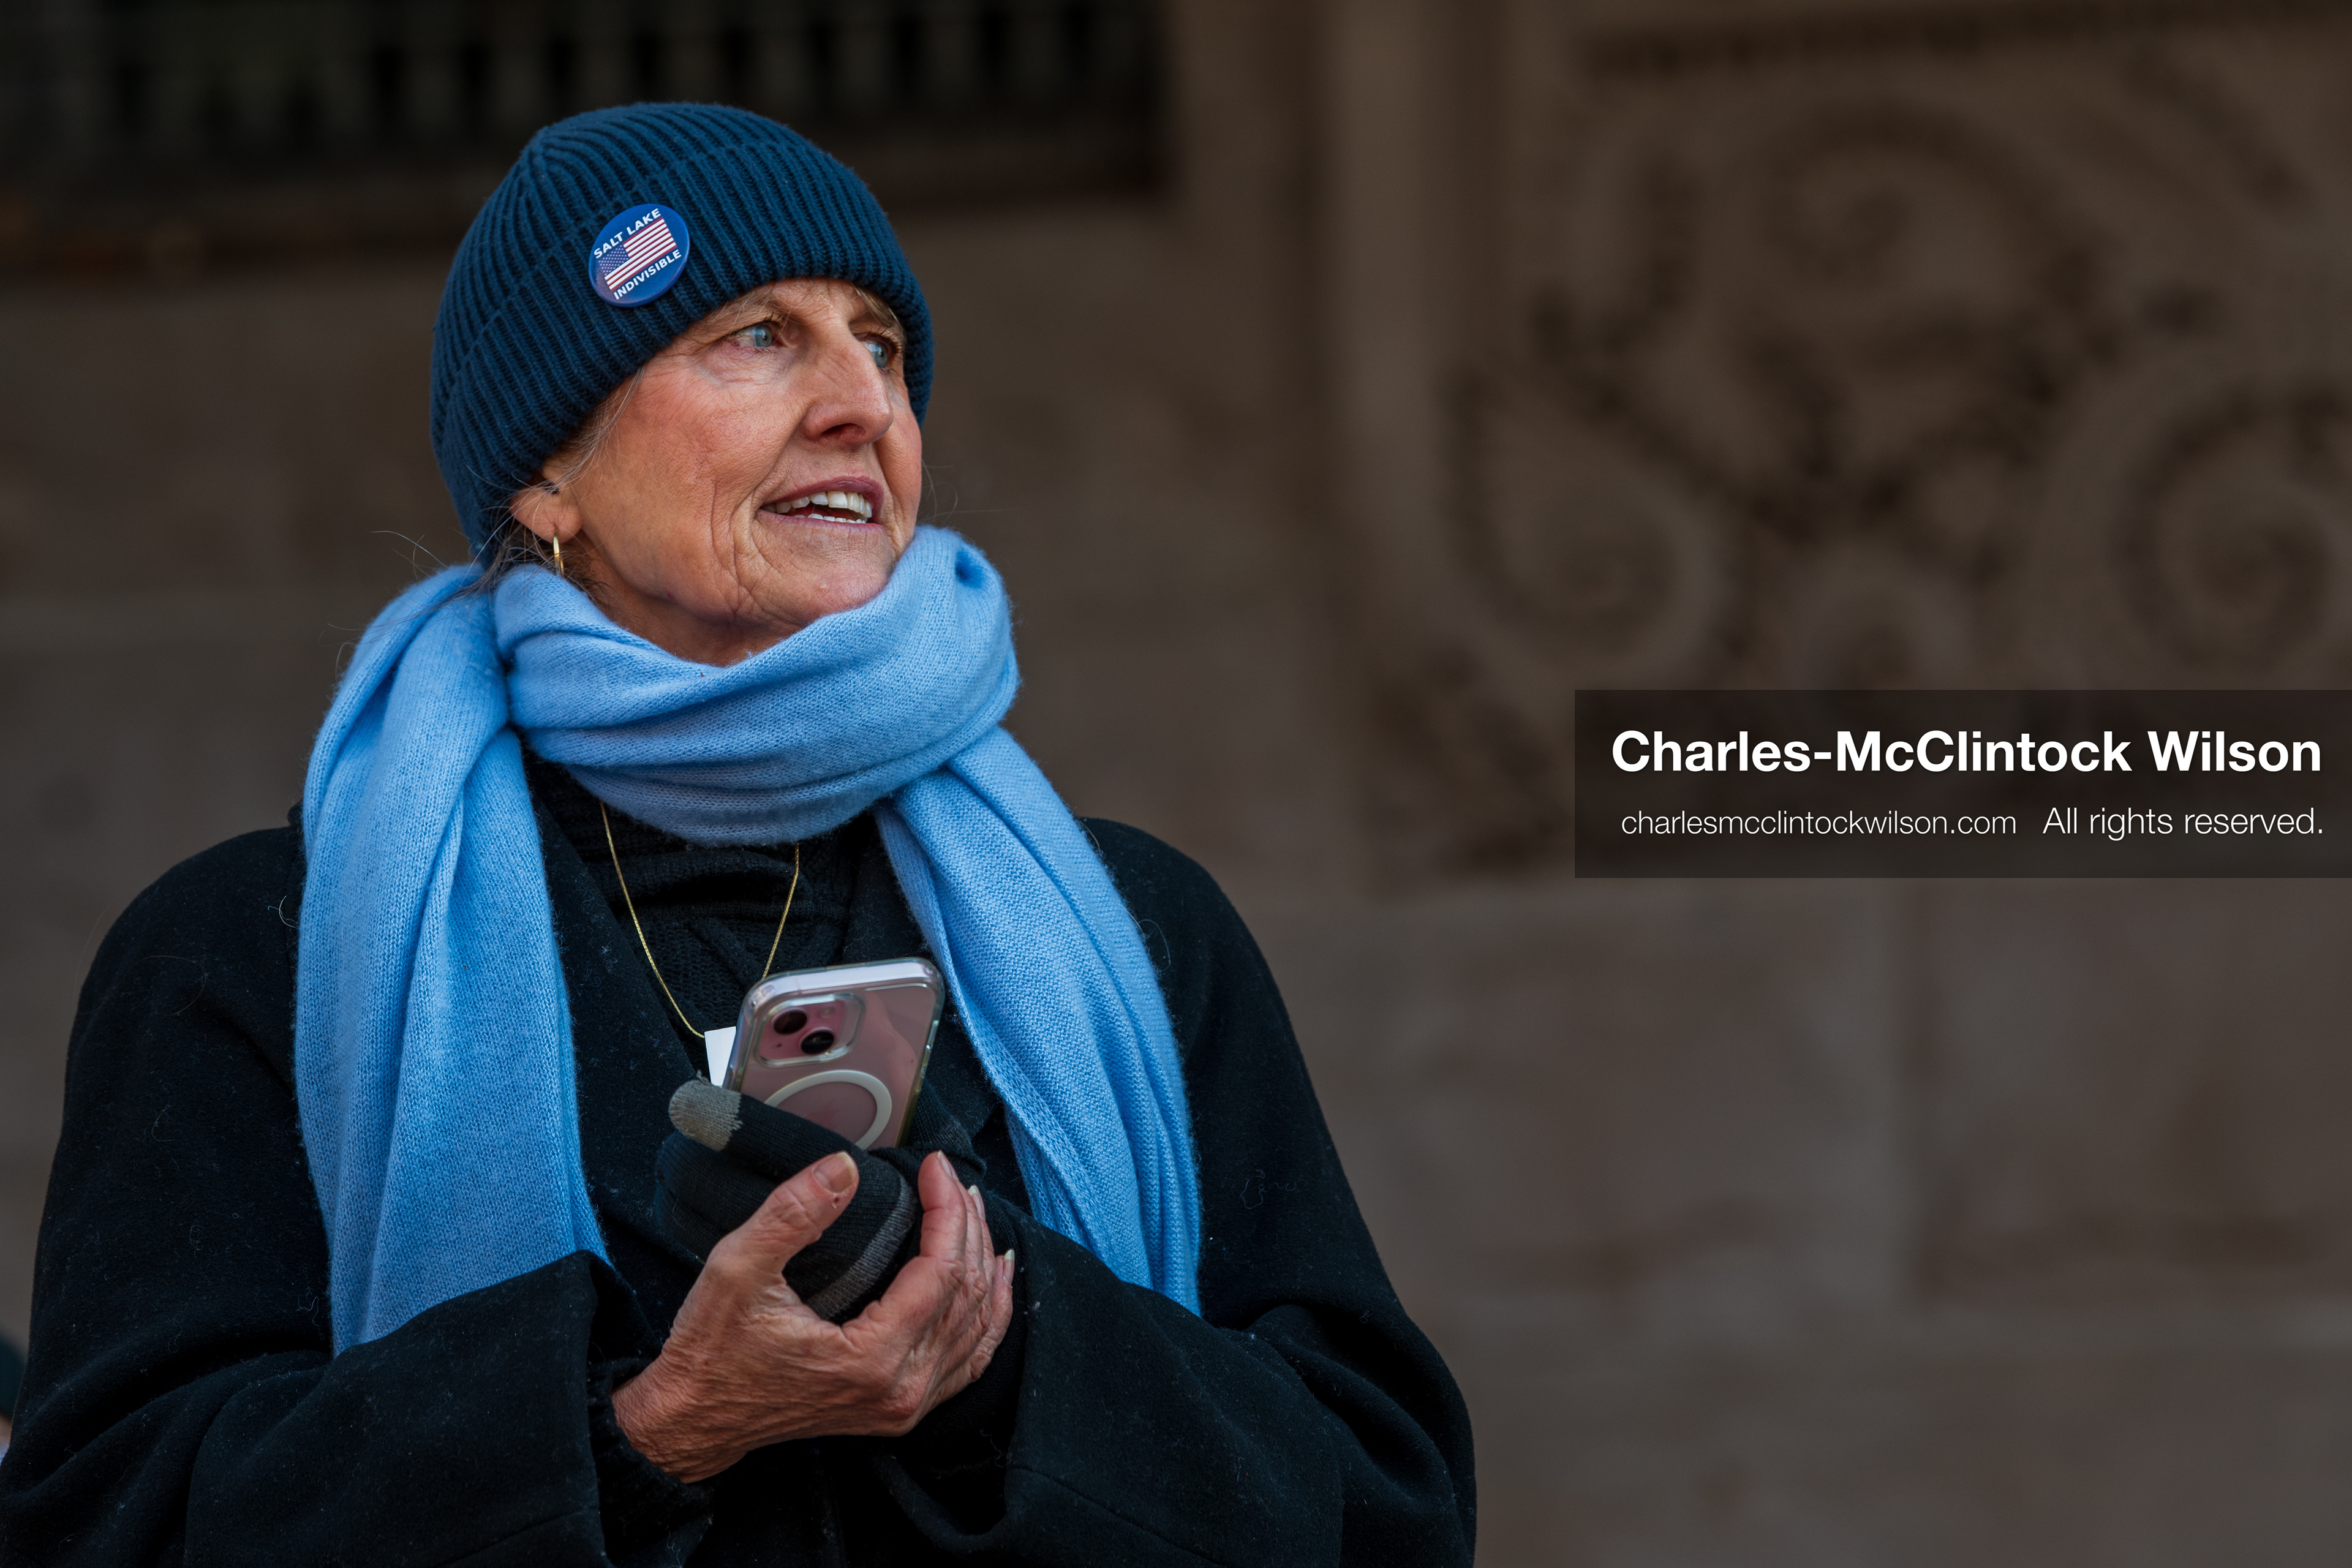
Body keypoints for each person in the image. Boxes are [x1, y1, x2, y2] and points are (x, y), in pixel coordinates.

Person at [0, 104, 1474, 1566]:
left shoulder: (1137, 929)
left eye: (881, 345)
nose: (860, 404)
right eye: (756, 335)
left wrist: (1004, 1356)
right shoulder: (260, 949)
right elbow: (115, 1522)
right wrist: (648, 1428)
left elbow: (1389, 1508)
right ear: (545, 474)